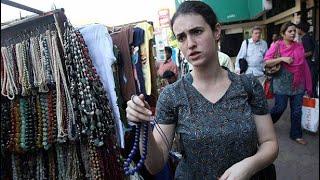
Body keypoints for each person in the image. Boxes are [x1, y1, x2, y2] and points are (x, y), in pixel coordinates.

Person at [126, 1, 278, 179]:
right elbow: (155, 164)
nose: (190, 43)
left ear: (216, 31)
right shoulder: (172, 95)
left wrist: (249, 166)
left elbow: (269, 143)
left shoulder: (248, 85)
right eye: (181, 37)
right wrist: (142, 125)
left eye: (197, 32)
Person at [264, 22, 313, 145]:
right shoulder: (277, 45)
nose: (293, 33)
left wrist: (308, 84)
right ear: (283, 33)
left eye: (294, 31)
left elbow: (304, 65)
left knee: (297, 110)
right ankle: (266, 124)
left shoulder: (299, 46)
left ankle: (296, 135)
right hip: (281, 83)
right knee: (280, 107)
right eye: (290, 31)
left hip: (298, 83)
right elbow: (266, 62)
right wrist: (281, 59)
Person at [296, 21, 318, 98]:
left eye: (297, 29)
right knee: (312, 86)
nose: (296, 31)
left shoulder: (306, 38)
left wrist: (298, 57)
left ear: (301, 29)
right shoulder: (308, 37)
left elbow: (309, 52)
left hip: (310, 66)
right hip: (312, 65)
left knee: (311, 87)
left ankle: (314, 107)